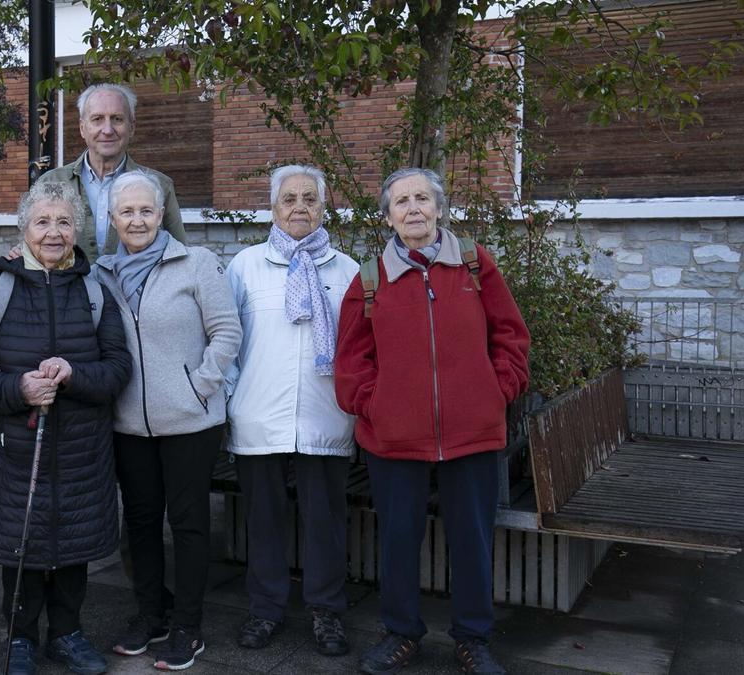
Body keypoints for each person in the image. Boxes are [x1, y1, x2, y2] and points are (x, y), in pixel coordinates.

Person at [335, 167, 530, 675]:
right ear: (388, 216)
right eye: (402, 202)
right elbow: (352, 360)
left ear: (440, 209)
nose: (414, 209)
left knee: (473, 540)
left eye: (423, 198)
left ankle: (473, 637)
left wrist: (497, 392)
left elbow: (511, 335)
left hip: (473, 434)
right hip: (395, 439)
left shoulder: (472, 264)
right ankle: (401, 633)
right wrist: (374, 405)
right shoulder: (371, 278)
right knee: (398, 540)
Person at [0, 180, 131, 675]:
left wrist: (73, 375)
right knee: (22, 541)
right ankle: (21, 637)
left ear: (78, 230)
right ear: (24, 228)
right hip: (16, 444)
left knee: (74, 542)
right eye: (43, 222)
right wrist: (16, 388)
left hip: (81, 445)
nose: (54, 232)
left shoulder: (95, 289)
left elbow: (118, 368)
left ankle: (68, 634)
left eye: (64, 222)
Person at [90, 171, 242, 670]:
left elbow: (226, 332)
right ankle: (151, 614)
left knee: (190, 524)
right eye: (126, 212)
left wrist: (197, 386)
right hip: (128, 424)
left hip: (191, 423)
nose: (137, 220)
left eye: (146, 211)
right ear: (112, 219)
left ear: (162, 215)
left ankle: (188, 626)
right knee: (140, 524)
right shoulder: (101, 275)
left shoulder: (195, 262)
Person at [224, 164, 359, 658]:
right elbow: (229, 341)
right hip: (259, 415)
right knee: (263, 519)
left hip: (326, 415)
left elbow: (359, 347)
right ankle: (265, 608)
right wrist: (230, 403)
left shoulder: (346, 271)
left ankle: (326, 610)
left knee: (326, 519)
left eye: (309, 199)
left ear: (325, 208)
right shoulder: (245, 266)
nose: (299, 207)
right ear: (273, 207)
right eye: (289, 199)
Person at [36, 83, 186, 256]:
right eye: (97, 119)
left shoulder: (160, 185)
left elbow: (180, 255)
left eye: (117, 119)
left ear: (132, 127)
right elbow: (34, 247)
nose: (107, 130)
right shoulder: (50, 183)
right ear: (82, 128)